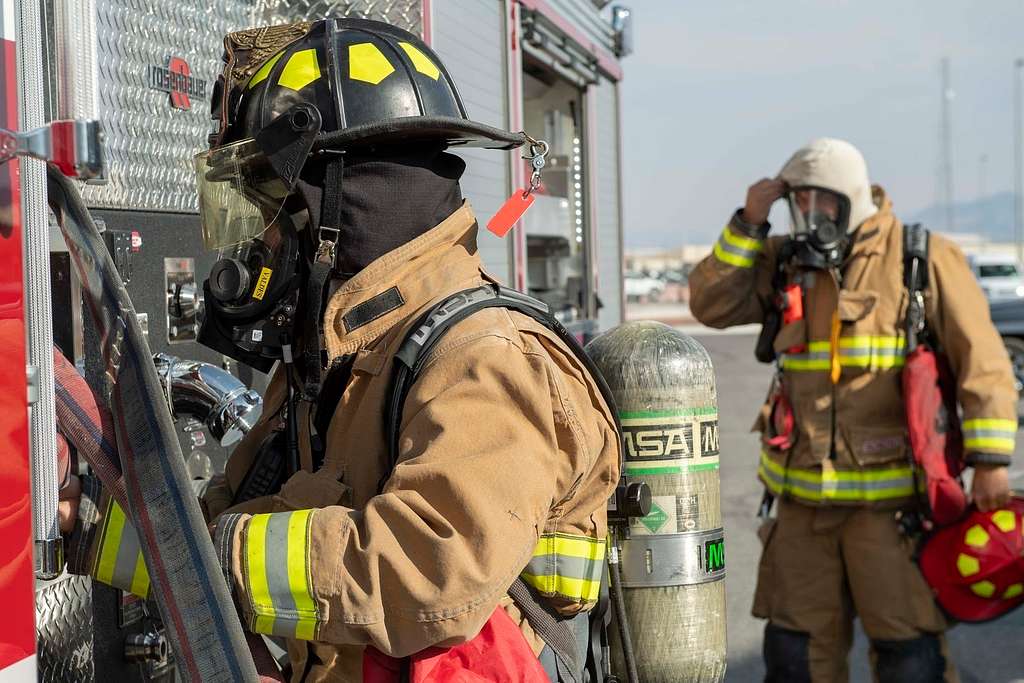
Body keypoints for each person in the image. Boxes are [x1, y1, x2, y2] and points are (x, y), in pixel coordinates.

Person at [62, 18, 619, 682]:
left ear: (333, 206)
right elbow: (216, 528)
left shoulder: (484, 358)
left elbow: (427, 568)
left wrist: (224, 553)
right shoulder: (335, 360)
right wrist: (82, 518)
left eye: (263, 202)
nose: (256, 238)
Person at [688, 137, 1017, 682]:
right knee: (795, 658)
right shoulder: (787, 262)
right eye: (801, 203)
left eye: (823, 202)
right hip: (800, 510)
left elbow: (984, 362)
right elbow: (710, 304)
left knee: (910, 660)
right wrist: (749, 223)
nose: (812, 215)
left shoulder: (921, 258)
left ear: (852, 198)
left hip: (891, 514)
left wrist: (990, 461)